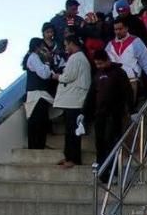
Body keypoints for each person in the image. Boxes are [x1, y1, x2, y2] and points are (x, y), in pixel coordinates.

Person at [87, 50, 133, 182]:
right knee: (100, 144)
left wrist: (131, 109)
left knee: (111, 143)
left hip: (114, 114)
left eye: (101, 63)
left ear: (107, 60)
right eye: (96, 64)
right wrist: (84, 113)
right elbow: (91, 95)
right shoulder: (97, 75)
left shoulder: (119, 73)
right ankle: (102, 173)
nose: (99, 66)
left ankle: (113, 172)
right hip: (100, 115)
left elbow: (127, 92)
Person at [53, 35, 92, 168]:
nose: (65, 48)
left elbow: (68, 76)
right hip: (73, 100)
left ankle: (74, 158)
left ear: (71, 43)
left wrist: (58, 76)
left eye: (66, 45)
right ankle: (68, 156)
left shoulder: (76, 58)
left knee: (73, 131)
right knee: (70, 131)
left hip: (74, 101)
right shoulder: (80, 57)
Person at [105, 19, 147, 105]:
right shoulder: (110, 45)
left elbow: (146, 61)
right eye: (116, 29)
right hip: (113, 82)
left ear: (126, 28)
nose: (117, 32)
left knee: (129, 108)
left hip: (131, 81)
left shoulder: (136, 42)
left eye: (120, 29)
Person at [23, 38, 59, 149]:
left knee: (40, 122)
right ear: (38, 47)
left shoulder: (35, 57)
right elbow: (44, 74)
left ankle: (38, 145)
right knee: (37, 122)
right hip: (37, 95)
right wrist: (47, 62)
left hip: (38, 95)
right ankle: (36, 146)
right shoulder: (34, 57)